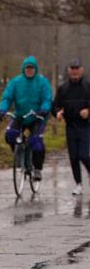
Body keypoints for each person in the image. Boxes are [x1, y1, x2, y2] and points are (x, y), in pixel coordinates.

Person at [0, 55, 53, 179]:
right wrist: (2, 110)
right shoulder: (15, 82)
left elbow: (47, 98)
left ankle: (37, 168)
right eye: (27, 68)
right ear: (23, 68)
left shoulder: (42, 82)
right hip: (20, 116)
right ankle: (19, 156)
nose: (29, 70)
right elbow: (7, 97)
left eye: (32, 68)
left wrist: (44, 109)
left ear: (35, 68)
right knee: (10, 134)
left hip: (37, 117)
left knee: (36, 141)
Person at [52, 58, 90, 195]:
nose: (74, 71)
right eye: (72, 69)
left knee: (84, 156)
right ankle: (78, 184)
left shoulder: (87, 86)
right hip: (70, 126)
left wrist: (88, 111)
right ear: (69, 71)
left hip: (84, 126)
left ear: (81, 70)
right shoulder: (63, 88)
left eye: (77, 68)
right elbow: (55, 105)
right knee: (73, 156)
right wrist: (58, 113)